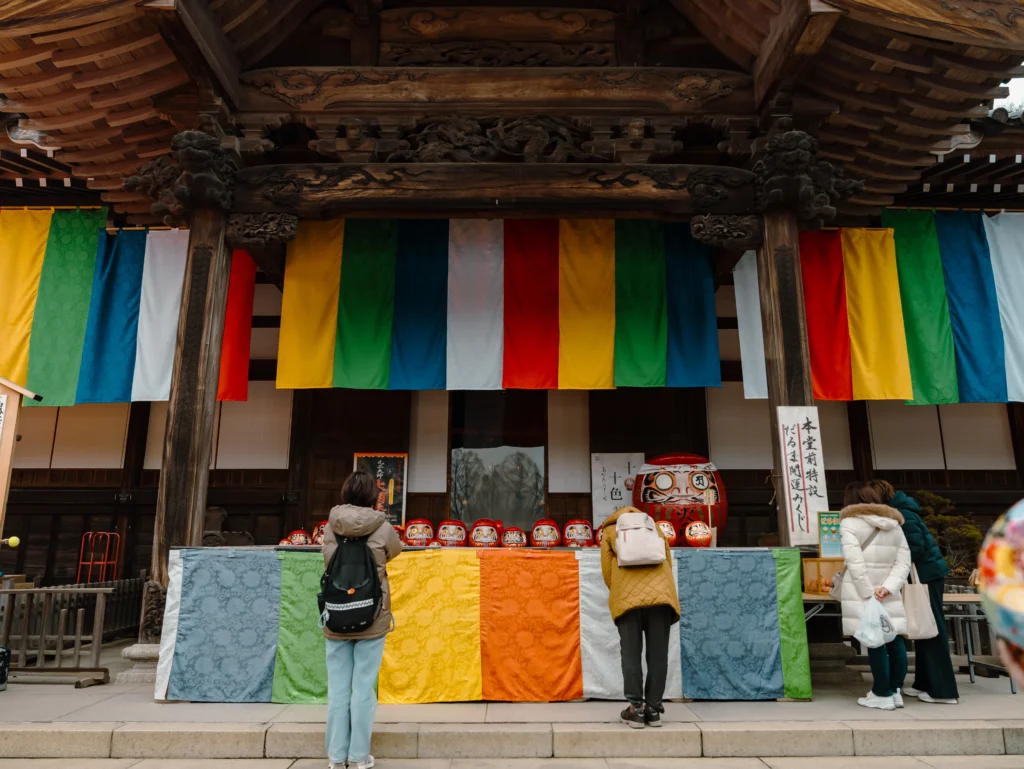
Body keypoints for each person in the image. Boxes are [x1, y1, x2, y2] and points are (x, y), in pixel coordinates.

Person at [322, 471, 403, 769]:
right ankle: (358, 757)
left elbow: (327, 559)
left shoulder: (332, 525)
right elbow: (395, 552)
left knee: (338, 688)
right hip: (372, 614)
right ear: (373, 496)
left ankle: (335, 756)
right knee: (363, 687)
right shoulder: (382, 526)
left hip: (337, 612)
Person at [872, 480, 959, 705]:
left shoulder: (903, 514)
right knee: (923, 630)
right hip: (925, 576)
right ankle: (924, 683)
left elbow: (914, 548)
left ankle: (943, 691)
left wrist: (889, 568)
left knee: (932, 630)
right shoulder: (903, 510)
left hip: (926, 577)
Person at [600, 506, 680, 728]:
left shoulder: (609, 532)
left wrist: (620, 590)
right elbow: (667, 562)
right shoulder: (654, 527)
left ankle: (636, 709)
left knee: (631, 654)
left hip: (627, 600)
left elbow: (607, 573)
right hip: (661, 598)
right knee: (658, 655)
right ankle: (653, 710)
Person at [839, 482, 912, 711]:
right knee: (896, 638)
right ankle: (896, 690)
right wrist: (888, 588)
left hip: (864, 593)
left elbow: (854, 561)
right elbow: (904, 562)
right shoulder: (895, 525)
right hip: (887, 592)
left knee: (875, 640)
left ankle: (881, 693)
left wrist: (868, 592)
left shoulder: (849, 523)